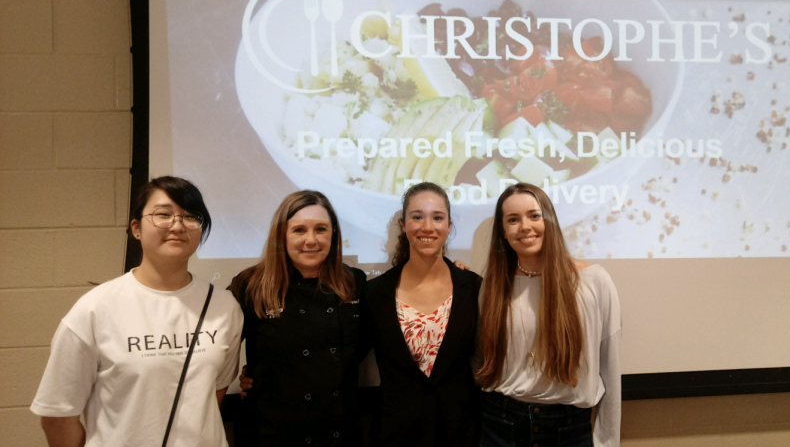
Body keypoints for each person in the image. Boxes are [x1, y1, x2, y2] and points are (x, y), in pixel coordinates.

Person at [31, 176, 243, 447]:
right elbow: (57, 415)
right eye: (163, 214)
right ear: (136, 228)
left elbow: (215, 391)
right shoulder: (95, 309)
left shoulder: (224, 305)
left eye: (191, 216)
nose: (178, 225)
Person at [476, 183, 621, 447]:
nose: (525, 226)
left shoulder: (593, 281)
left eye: (534, 215)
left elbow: (610, 368)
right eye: (513, 219)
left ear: (550, 221)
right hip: (500, 426)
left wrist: (607, 441)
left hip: (569, 430)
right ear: (503, 232)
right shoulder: (493, 286)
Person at [228, 191, 371, 446]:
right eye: (299, 230)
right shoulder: (251, 285)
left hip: (337, 430)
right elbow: (213, 343)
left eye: (321, 229)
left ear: (333, 235)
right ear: (281, 236)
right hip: (271, 432)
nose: (311, 240)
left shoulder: (354, 282)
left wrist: (450, 271)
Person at [365, 181, 482, 446]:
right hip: (395, 435)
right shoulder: (375, 293)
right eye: (417, 217)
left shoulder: (473, 288)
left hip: (460, 433)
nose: (427, 227)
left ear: (448, 226)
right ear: (404, 225)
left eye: (437, 217)